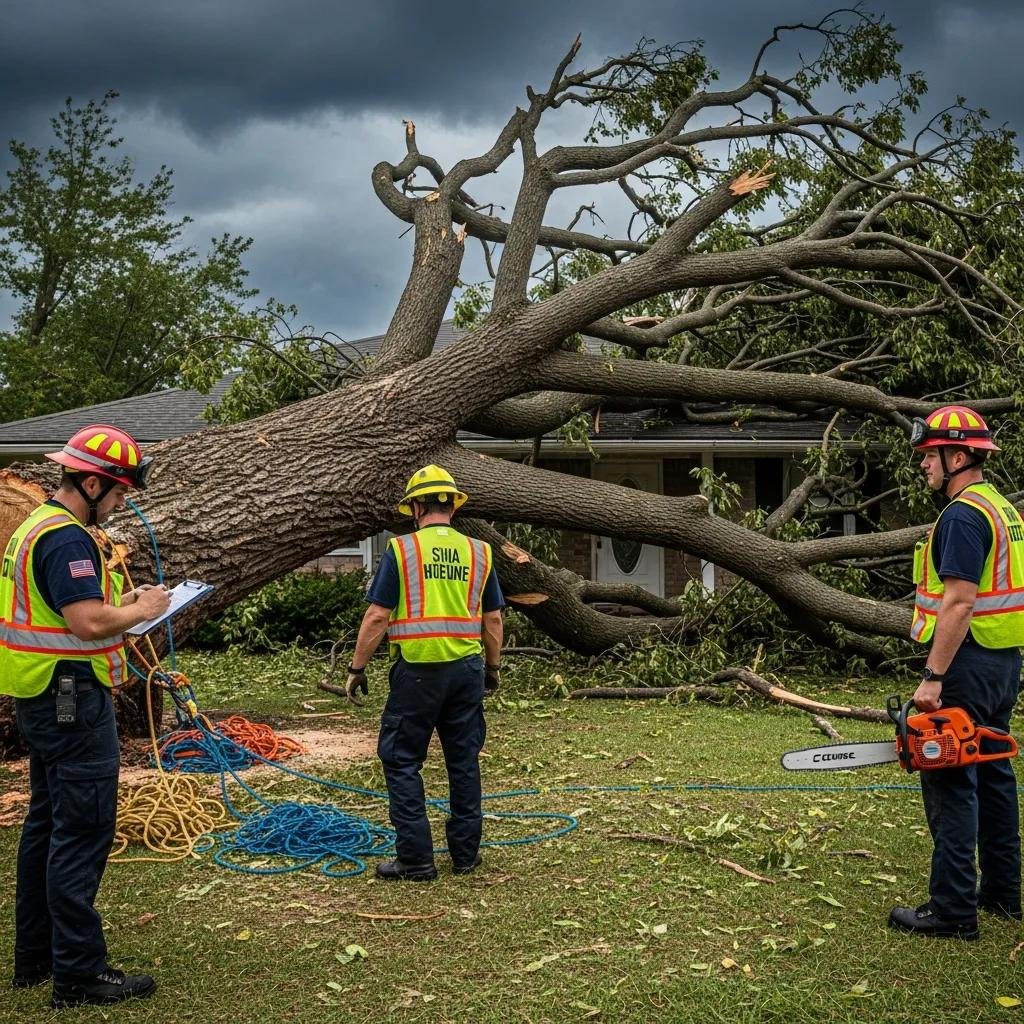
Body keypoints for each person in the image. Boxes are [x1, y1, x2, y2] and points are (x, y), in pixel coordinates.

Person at [2, 424, 171, 1007]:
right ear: (92, 482)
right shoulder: (68, 538)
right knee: (83, 830)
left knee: (47, 826)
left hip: (43, 696)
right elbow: (87, 624)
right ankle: (77, 974)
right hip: (71, 699)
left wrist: (117, 606)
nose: (122, 504)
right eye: (119, 492)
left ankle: (36, 958)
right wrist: (143, 607)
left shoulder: (34, 528)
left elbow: (73, 612)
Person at [888, 405, 1023, 940]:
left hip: (964, 663)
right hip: (1002, 660)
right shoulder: (1001, 508)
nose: (924, 466)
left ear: (958, 455)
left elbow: (960, 602)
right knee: (992, 772)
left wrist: (933, 676)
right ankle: (1002, 893)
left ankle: (952, 909)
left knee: (948, 775)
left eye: (930, 456)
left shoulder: (964, 515)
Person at [346, 465, 504, 880]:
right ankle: (466, 857)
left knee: (400, 760)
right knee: (463, 760)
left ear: (416, 506)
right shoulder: (479, 552)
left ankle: (416, 860)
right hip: (467, 669)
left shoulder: (402, 550)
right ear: (451, 504)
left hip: (418, 670)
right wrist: (493, 668)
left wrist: (356, 668)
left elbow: (378, 616)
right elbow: (493, 621)